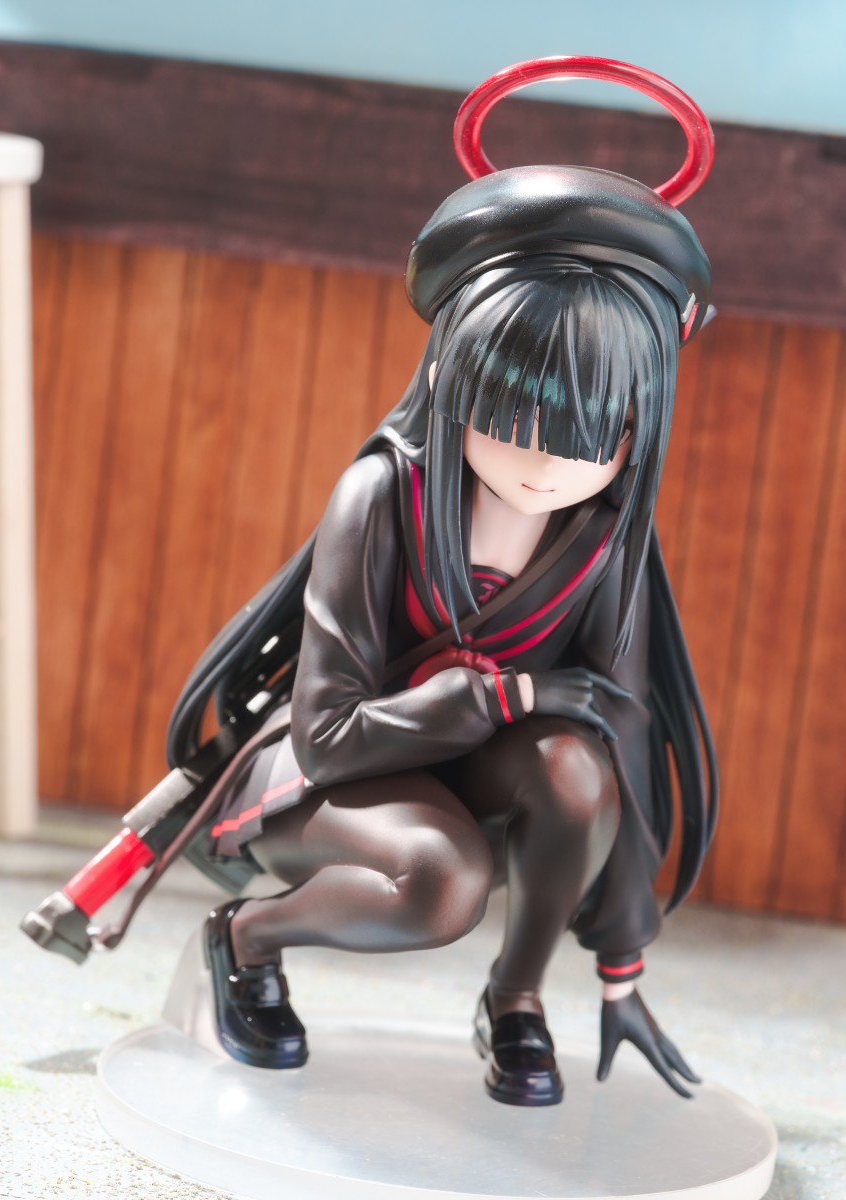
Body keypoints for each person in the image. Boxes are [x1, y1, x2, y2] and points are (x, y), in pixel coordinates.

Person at [163, 161, 721, 1106]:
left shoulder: (604, 537)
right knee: (442, 878)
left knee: (578, 772)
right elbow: (328, 737)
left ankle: (516, 999)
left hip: (484, 779)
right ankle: (245, 940)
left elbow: (621, 730)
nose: (548, 463)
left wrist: (621, 965)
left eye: (595, 434)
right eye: (514, 418)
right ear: (448, 377)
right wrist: (497, 696)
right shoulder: (383, 498)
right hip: (336, 784)